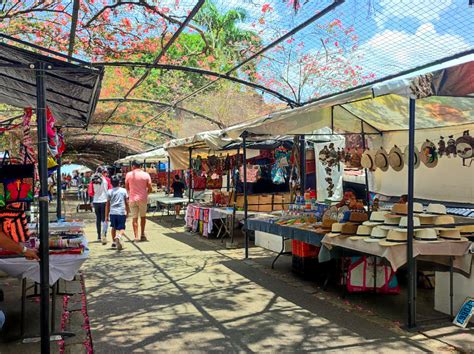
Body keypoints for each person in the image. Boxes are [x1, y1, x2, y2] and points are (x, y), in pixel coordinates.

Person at [125, 160, 152, 242]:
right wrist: (146, 193)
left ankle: (136, 236)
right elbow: (150, 187)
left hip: (132, 198)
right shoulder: (146, 174)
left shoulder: (128, 174)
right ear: (140, 166)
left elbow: (127, 187)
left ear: (133, 166)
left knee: (134, 218)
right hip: (143, 198)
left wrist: (130, 193)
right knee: (143, 217)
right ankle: (142, 234)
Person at [106, 175, 129, 250]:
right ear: (119, 182)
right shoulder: (123, 190)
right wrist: (128, 211)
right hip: (121, 212)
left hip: (112, 212)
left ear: (111, 183)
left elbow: (107, 204)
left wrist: (106, 215)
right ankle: (118, 237)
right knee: (122, 228)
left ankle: (114, 242)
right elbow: (126, 202)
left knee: (113, 227)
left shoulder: (109, 192)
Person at [89, 166, 112, 243]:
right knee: (105, 218)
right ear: (103, 172)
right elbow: (110, 190)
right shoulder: (107, 180)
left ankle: (98, 236)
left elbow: (90, 192)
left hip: (96, 201)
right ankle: (104, 235)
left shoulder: (93, 180)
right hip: (104, 201)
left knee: (98, 219)